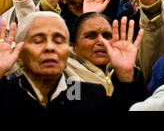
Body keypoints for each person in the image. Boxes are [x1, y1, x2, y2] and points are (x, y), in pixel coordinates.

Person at [0, 12, 146, 111]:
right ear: (19, 55)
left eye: (58, 41)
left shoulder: (90, 95)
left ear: (68, 52)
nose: (50, 48)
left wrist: (127, 77)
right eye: (38, 41)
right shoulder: (6, 93)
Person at [64, 12, 146, 96]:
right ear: (73, 46)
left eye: (107, 36)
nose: (101, 41)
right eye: (91, 36)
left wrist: (126, 78)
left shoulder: (130, 70)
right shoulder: (62, 72)